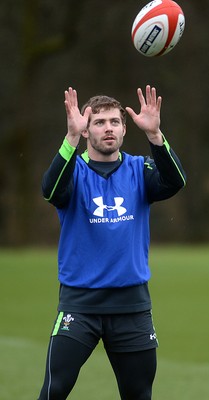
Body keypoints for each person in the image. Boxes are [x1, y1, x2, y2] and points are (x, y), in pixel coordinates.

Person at [38, 85, 186, 400]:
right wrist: (70, 139)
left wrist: (156, 137)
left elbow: (176, 181)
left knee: (139, 394)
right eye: (100, 122)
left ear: (123, 129)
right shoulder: (74, 170)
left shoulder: (140, 169)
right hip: (80, 305)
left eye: (115, 122)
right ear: (87, 129)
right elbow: (50, 191)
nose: (108, 128)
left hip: (131, 307)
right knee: (54, 390)